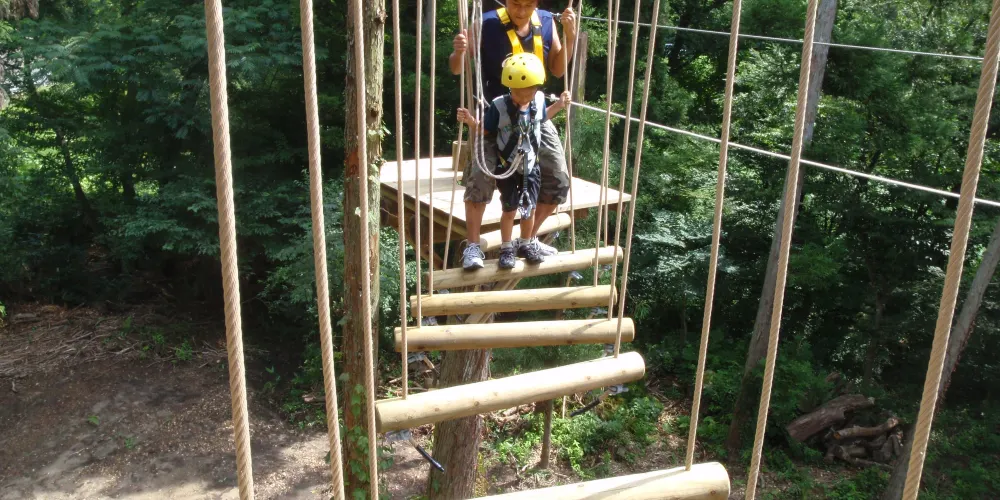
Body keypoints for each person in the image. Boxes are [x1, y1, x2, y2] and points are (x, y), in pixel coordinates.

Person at [450, 1, 577, 270]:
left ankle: (526, 239)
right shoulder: (486, 24)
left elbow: (557, 69)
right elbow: (457, 68)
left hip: (533, 114)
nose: (520, 11)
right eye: (515, 4)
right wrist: (458, 51)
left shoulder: (546, 22)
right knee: (480, 179)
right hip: (493, 114)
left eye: (527, 5)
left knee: (558, 181)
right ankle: (473, 246)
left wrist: (570, 37)